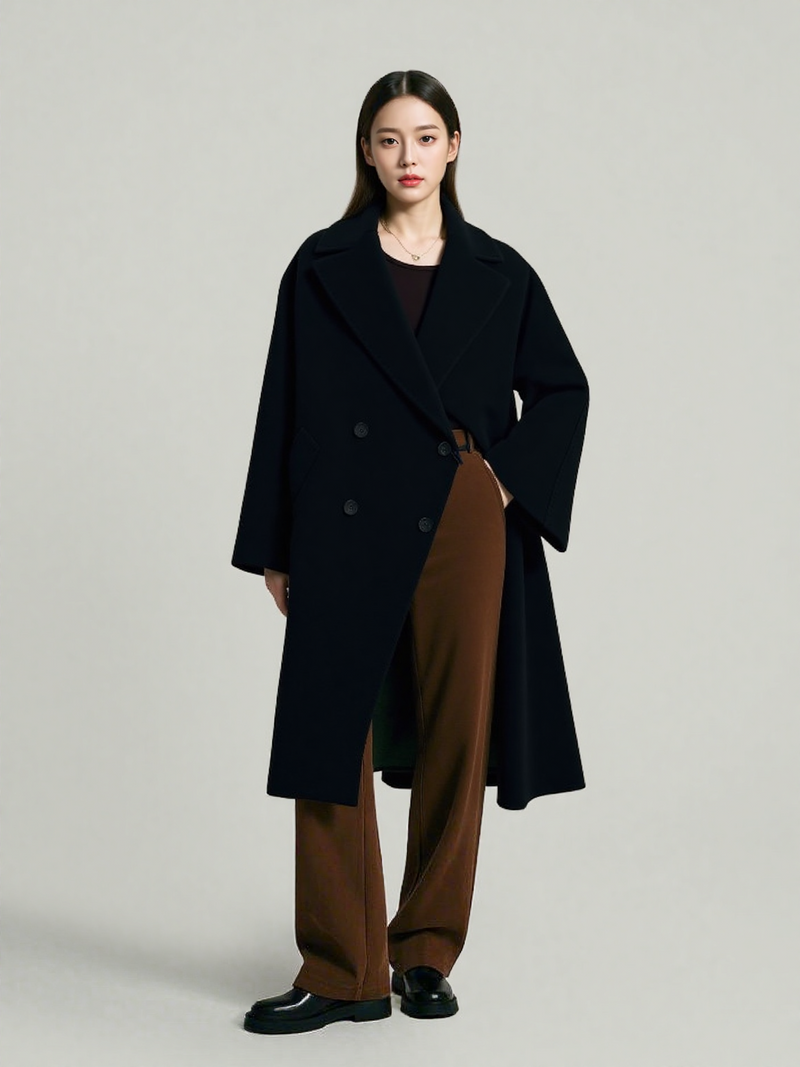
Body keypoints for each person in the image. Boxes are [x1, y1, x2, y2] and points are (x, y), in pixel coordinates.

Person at [232, 70, 590, 1036]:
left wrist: (499, 483)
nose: (408, 157)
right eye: (389, 139)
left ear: (454, 146)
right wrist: (272, 541)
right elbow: (282, 404)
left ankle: (424, 951)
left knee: (456, 729)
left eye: (425, 137)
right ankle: (342, 965)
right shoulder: (322, 264)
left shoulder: (500, 271)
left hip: (459, 514)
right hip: (342, 520)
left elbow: (563, 389)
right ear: (366, 150)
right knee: (328, 730)